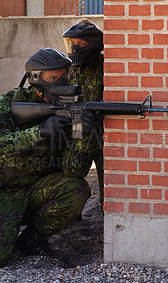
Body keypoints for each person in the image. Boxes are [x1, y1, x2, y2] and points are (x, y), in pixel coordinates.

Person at [0, 48, 101, 268]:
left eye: (65, 75)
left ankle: (33, 238)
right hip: (1, 192)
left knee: (76, 188)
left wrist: (83, 136)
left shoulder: (73, 108)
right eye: (54, 78)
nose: (62, 81)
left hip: (39, 191)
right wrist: (40, 132)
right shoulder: (11, 102)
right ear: (36, 79)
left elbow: (74, 171)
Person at [62, 20, 105, 206]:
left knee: (107, 176)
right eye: (73, 43)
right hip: (77, 129)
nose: (75, 48)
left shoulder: (107, 67)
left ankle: (106, 211)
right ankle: (72, 210)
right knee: (71, 171)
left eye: (81, 44)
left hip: (103, 132)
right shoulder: (67, 69)